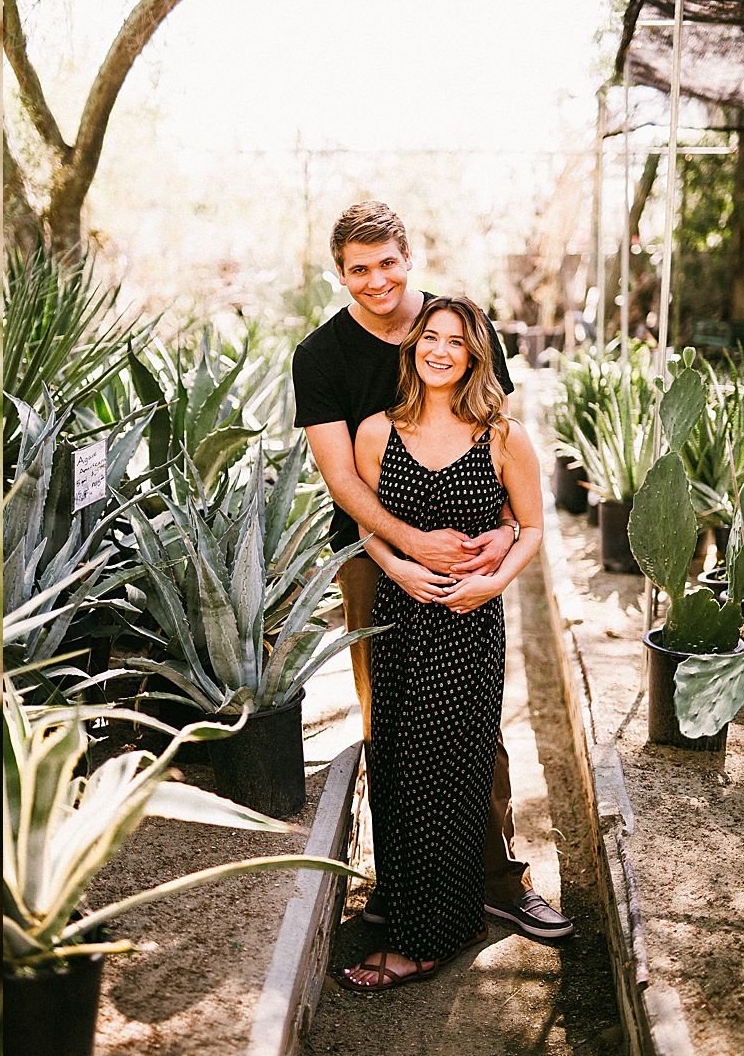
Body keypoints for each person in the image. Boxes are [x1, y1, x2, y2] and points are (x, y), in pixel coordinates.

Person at [291, 201, 573, 940]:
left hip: (470, 554)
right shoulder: (321, 357)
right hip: (375, 558)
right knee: (393, 721)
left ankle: (495, 878)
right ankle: (406, 883)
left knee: (480, 727)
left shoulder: (455, 328)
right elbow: (344, 485)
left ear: (408, 256)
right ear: (340, 273)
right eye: (359, 268)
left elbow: (498, 443)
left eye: (388, 261)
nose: (376, 279)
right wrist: (413, 546)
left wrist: (506, 532)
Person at [334, 294, 543, 989]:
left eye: (457, 341)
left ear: (475, 353)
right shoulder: (375, 433)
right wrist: (399, 568)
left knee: (446, 773)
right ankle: (412, 906)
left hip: (468, 625)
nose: (442, 350)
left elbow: (532, 526)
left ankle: (425, 941)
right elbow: (367, 524)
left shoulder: (502, 435)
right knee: (394, 763)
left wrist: (494, 584)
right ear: (414, 347)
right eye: (431, 337)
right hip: (399, 616)